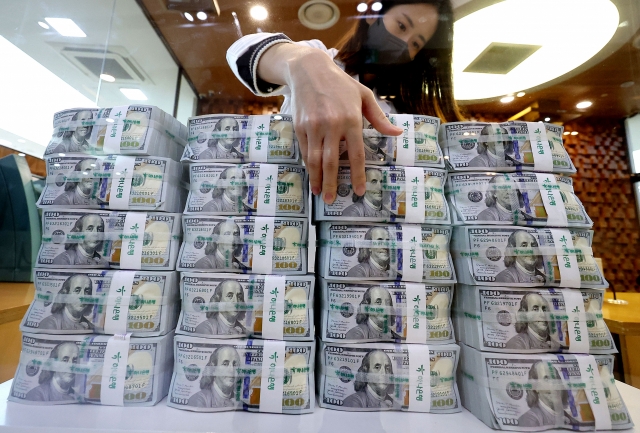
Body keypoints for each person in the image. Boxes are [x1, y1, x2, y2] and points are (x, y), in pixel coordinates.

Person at [227, 0, 463, 204]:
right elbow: (240, 51)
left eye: (415, 44)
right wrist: (303, 62)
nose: (403, 43)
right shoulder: (324, 59)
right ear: (373, 13)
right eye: (401, 26)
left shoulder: (400, 113)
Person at [518, 361, 569, 428]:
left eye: (556, 378)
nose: (554, 384)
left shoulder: (572, 420)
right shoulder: (529, 420)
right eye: (546, 379)